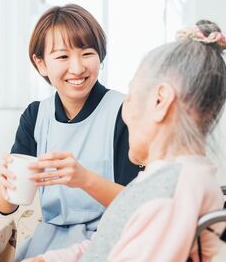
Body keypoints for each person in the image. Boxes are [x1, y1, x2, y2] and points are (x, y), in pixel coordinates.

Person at [23, 20, 226, 262]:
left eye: (132, 95)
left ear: (160, 101)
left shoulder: (168, 195)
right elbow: (109, 244)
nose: (123, 108)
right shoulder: (168, 180)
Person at [0, 4, 141, 261]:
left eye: (87, 53)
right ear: (41, 64)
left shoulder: (124, 111)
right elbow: (7, 208)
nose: (77, 68)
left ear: (100, 56)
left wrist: (84, 179)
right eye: (62, 57)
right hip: (47, 242)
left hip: (109, 242)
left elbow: (137, 205)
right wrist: (6, 187)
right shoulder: (35, 115)